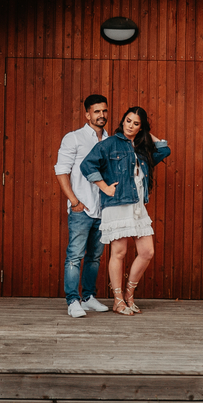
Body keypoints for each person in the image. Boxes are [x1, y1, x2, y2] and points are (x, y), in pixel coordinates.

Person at [80, 106, 171, 316]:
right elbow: (87, 166)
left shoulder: (142, 147)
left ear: (141, 127)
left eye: (136, 123)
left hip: (138, 206)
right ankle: (118, 300)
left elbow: (164, 149)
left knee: (147, 251)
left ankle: (130, 294)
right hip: (118, 204)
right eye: (128, 121)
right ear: (122, 121)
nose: (130, 126)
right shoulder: (109, 144)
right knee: (119, 252)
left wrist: (145, 134)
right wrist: (104, 187)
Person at [54, 94, 112, 318]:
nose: (101, 115)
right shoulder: (74, 138)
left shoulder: (110, 140)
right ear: (87, 114)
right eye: (97, 111)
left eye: (104, 111)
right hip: (82, 209)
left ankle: (88, 297)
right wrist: (75, 202)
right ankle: (72, 300)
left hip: (104, 209)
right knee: (75, 255)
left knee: (95, 257)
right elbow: (61, 171)